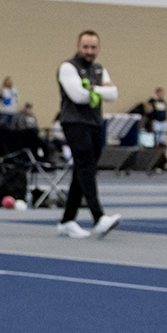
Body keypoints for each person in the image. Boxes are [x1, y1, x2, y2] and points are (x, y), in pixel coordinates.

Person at [55, 31, 121, 239]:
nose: (89, 51)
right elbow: (78, 96)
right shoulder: (68, 67)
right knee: (85, 164)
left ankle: (67, 220)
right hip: (74, 122)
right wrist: (101, 90)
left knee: (84, 169)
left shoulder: (100, 69)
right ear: (78, 46)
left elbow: (115, 94)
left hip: (94, 122)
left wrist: (93, 90)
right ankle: (98, 217)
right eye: (86, 47)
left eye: (93, 47)